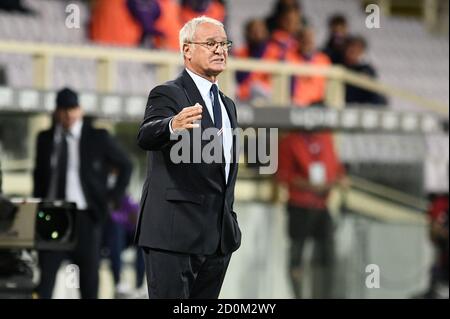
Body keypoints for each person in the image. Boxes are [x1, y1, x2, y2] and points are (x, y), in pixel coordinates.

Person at [135, 16, 241, 299]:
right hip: (173, 236)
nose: (220, 50)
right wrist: (171, 125)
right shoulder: (168, 93)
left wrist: (229, 219)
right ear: (186, 50)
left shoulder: (228, 105)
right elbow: (146, 135)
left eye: (224, 43)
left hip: (217, 240)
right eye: (210, 43)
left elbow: (224, 170)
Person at [33, 87, 132, 299]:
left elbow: (126, 165)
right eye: (63, 109)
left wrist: (112, 199)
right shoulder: (45, 139)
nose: (68, 114)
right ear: (56, 112)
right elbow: (39, 177)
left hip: (86, 215)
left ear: (80, 110)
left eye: (72, 108)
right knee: (45, 281)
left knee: (88, 281)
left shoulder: (97, 137)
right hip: (53, 216)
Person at [277, 131, 346, 298]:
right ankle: (298, 295)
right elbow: (284, 175)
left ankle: (323, 295)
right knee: (297, 255)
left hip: (322, 206)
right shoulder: (291, 141)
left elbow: (336, 166)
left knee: (326, 255)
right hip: (299, 206)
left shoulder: (326, 138)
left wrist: (340, 179)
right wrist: (310, 186)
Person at [343, 35, 387, 106]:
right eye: (351, 48)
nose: (352, 52)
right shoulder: (338, 67)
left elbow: (376, 96)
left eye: (357, 49)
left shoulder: (367, 70)